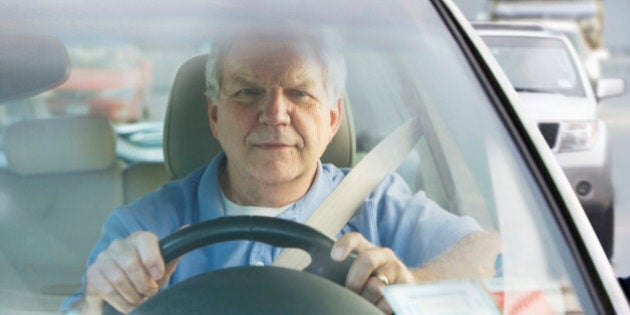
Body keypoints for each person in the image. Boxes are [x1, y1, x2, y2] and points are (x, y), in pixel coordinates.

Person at [62, 28, 500, 314]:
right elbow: (87, 307)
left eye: (299, 93)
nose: (274, 114)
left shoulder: (376, 202)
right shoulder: (148, 226)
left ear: (332, 119)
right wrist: (98, 298)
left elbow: (488, 255)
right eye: (248, 91)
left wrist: (410, 285)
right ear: (214, 116)